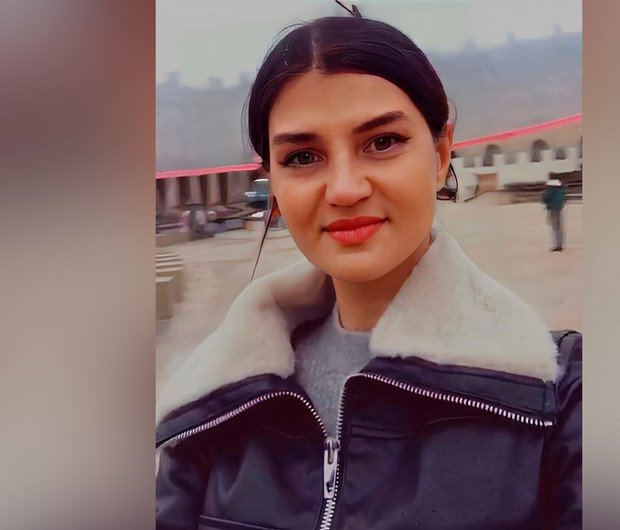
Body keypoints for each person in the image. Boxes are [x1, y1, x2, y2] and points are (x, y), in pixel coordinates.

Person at [156, 15, 581, 530]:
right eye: (303, 156)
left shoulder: (561, 397)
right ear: (273, 183)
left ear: (441, 151)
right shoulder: (209, 404)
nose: (345, 188)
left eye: (382, 142)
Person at [542, 174, 566, 251]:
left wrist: (545, 199)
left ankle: (557, 245)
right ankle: (560, 244)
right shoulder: (561, 189)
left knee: (554, 226)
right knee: (559, 226)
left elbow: (546, 198)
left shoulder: (551, 189)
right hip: (559, 207)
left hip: (552, 207)